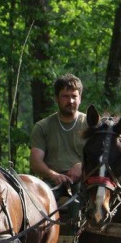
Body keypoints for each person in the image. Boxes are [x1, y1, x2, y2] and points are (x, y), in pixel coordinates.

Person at [30, 73, 88, 203]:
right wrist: (54, 175)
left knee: (84, 202)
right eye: (65, 96)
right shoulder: (42, 127)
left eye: (74, 96)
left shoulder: (91, 124)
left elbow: (103, 156)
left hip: (84, 181)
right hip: (51, 183)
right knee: (36, 203)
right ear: (56, 98)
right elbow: (35, 161)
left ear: (80, 98)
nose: (70, 101)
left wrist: (83, 167)